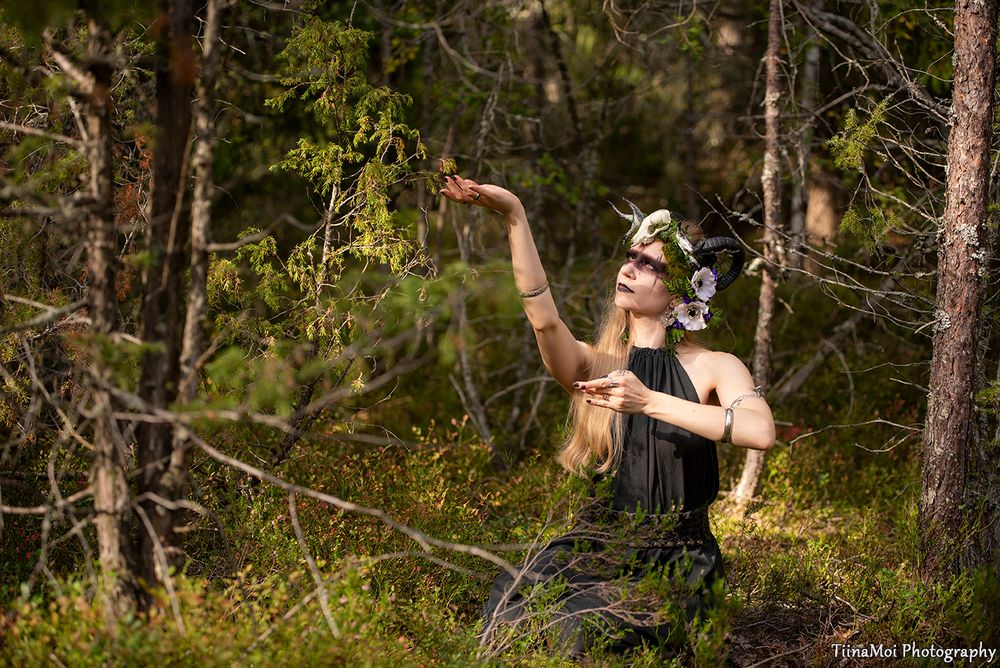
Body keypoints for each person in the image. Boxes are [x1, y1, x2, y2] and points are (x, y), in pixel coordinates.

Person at [439, 174, 776, 659]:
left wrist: (648, 401)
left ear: (681, 292)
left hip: (677, 562)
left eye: (649, 264)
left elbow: (759, 430)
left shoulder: (715, 366)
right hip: (595, 545)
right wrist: (514, 215)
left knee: (579, 626)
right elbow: (544, 321)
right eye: (631, 256)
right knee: (513, 599)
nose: (630, 268)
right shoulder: (599, 364)